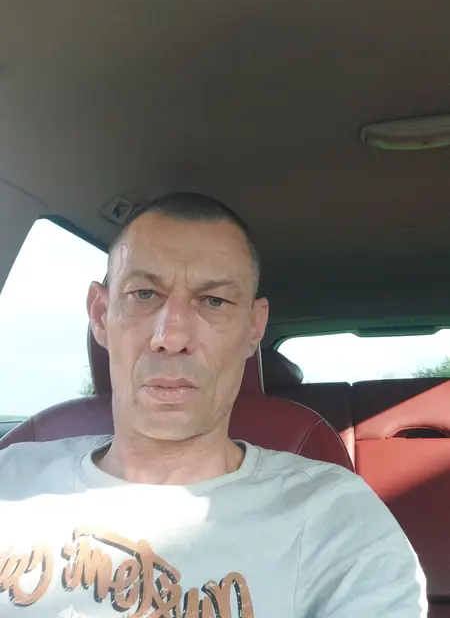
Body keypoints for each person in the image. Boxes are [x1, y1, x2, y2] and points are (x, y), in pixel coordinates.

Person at [0, 192, 426, 617]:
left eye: (214, 301)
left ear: (253, 328)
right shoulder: (11, 476)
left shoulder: (335, 517)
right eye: (144, 294)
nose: (172, 337)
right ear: (99, 315)